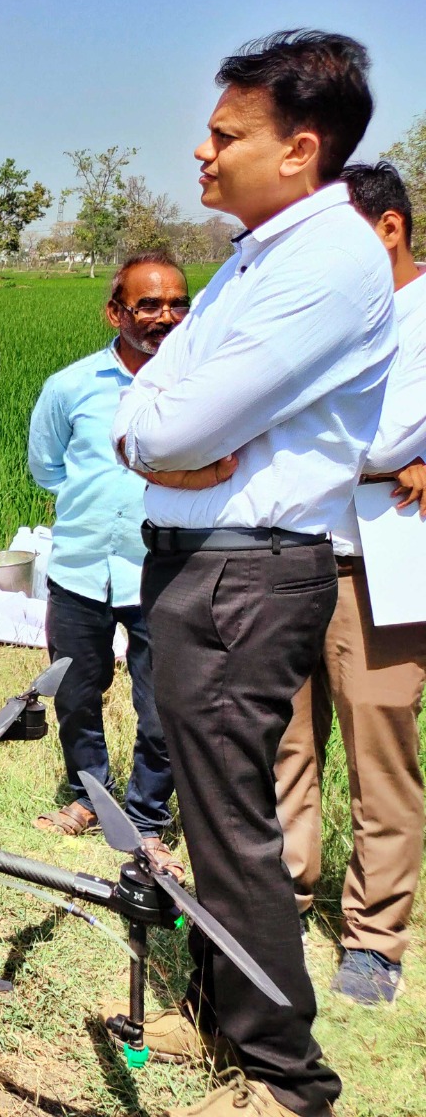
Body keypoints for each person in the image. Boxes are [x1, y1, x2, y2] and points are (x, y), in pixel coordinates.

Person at [110, 30, 394, 1117]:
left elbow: (186, 415)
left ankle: (283, 1076)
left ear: (299, 148)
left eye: (226, 134)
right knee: (214, 812)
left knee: (232, 828)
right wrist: (155, 433)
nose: (202, 151)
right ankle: (230, 1022)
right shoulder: (255, 256)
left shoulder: (326, 262)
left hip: (245, 574)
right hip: (203, 568)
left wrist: (162, 429)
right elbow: (154, 405)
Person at [274, 160, 426, 1007]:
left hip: (381, 559)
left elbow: (373, 436)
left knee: (380, 752)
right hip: (294, 547)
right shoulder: (338, 316)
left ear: (389, 230)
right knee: (288, 743)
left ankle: (374, 936)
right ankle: (289, 895)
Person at [27, 252, 184, 873]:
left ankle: (147, 816)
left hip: (166, 571)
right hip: (82, 564)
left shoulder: (201, 384)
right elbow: (48, 467)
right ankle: (88, 792)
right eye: (148, 304)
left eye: (178, 303)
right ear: (116, 311)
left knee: (162, 702)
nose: (165, 317)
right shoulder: (70, 386)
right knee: (74, 690)